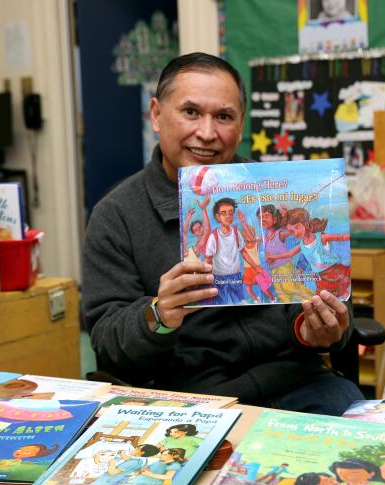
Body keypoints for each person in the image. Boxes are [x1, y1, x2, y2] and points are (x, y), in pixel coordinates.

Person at [80, 52, 363, 416]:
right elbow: (107, 341)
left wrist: (319, 329)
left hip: (298, 383)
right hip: (190, 400)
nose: (208, 133)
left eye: (224, 116)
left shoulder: (274, 193)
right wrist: (158, 315)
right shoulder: (116, 215)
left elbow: (325, 296)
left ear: (241, 124)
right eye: (191, 112)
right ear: (156, 114)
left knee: (364, 454)